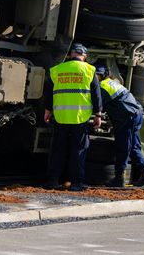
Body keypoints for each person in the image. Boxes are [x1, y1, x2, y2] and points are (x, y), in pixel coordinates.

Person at [44, 43, 102, 191]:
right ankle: (76, 183)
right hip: (80, 117)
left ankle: (52, 181)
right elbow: (96, 95)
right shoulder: (89, 70)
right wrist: (98, 114)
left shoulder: (57, 70)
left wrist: (47, 110)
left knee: (58, 150)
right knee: (79, 150)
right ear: (84, 56)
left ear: (71, 55)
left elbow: (49, 92)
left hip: (61, 116)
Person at [95, 65, 144, 187]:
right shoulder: (112, 82)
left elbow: (96, 106)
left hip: (126, 117)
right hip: (137, 114)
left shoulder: (102, 87)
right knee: (134, 146)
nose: (96, 78)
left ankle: (119, 178)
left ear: (102, 76)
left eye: (97, 75)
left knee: (123, 147)